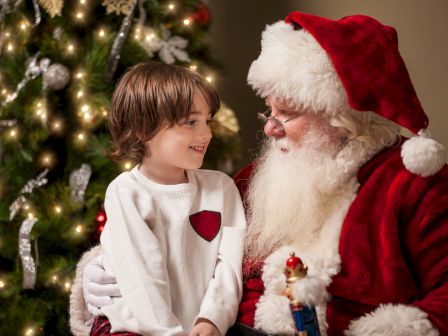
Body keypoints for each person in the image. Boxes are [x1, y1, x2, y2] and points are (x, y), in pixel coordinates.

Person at [74, 12, 448, 336]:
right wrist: (104, 269)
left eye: (286, 113)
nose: (270, 128)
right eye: (268, 112)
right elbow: (180, 247)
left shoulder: (413, 182)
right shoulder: (254, 180)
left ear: (341, 117)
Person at [69, 62, 246, 336]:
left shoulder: (221, 189)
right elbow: (143, 281)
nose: (206, 133)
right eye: (190, 122)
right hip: (135, 328)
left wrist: (213, 318)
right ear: (143, 129)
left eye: (207, 120)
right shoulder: (127, 192)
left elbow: (229, 265)